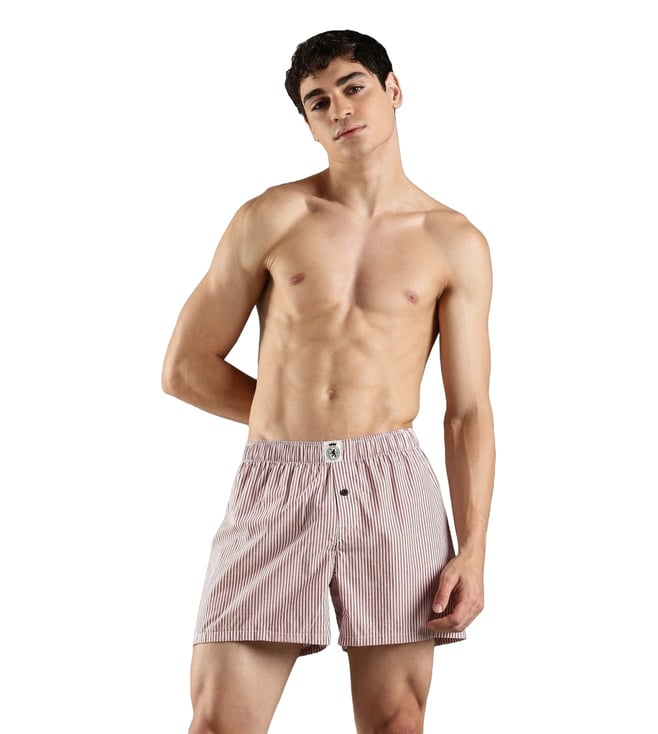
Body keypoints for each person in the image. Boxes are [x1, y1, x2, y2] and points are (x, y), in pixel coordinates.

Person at [162, 28, 495, 734]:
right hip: (277, 479)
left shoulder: (453, 240)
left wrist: (473, 550)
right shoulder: (272, 217)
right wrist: (292, 417)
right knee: (219, 721)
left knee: (396, 721)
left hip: (391, 484)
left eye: (353, 87)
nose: (340, 108)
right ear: (309, 125)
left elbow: (467, 412)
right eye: (318, 102)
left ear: (393, 90)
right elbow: (186, 369)